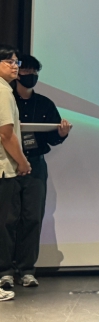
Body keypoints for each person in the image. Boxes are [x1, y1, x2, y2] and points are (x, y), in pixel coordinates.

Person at [13, 54, 72, 288]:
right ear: (17, 73)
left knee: (32, 217)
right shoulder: (6, 99)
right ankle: (4, 269)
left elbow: (52, 137)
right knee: (7, 218)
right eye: (27, 72)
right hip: (8, 163)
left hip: (35, 164)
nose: (31, 76)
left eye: (35, 72)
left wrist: (61, 133)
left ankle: (27, 269)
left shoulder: (45, 103)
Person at [0, 45, 31, 301]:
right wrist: (22, 162)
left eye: (16, 62)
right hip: (3, 169)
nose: (14, 66)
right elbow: (6, 134)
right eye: (9, 61)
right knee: (5, 224)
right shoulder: (2, 91)